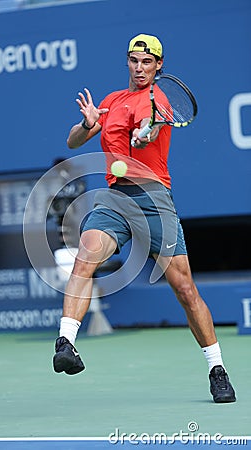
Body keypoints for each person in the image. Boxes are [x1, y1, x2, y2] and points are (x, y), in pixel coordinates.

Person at [52, 33, 236, 403]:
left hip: (153, 199)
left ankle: (217, 369)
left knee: (185, 290)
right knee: (84, 259)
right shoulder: (111, 101)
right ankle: (66, 343)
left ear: (158, 66)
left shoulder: (158, 99)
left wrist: (142, 136)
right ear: (128, 62)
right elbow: (73, 142)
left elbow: (146, 131)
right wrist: (87, 125)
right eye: (134, 61)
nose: (140, 68)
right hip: (115, 198)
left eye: (147, 62)